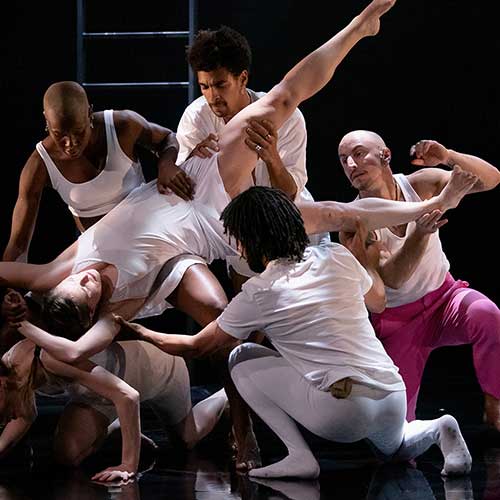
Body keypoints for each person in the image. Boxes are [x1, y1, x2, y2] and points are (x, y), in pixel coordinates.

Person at [0, 0, 477, 469]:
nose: (86, 280)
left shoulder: (62, 267)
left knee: (291, 115)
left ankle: (359, 31)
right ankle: (288, 419)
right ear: (93, 310)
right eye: (88, 293)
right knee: (317, 239)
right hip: (224, 227)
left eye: (76, 282)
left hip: (209, 186)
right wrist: (28, 329)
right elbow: (78, 348)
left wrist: (182, 161)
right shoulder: (114, 307)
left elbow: (15, 266)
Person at [112, 186, 473, 479]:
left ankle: (298, 456)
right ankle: (438, 427)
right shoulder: (335, 255)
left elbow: (197, 345)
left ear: (249, 241)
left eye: (237, 240)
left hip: (342, 412)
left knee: (240, 356)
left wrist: (139, 331)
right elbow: (378, 302)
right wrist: (365, 260)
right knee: (394, 450)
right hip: (393, 395)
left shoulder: (259, 291)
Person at [165, 23, 330, 467]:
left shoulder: (286, 117)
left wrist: (271, 155)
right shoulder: (196, 117)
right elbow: (192, 192)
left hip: (294, 232)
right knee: (240, 334)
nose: (212, 96)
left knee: (300, 331)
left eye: (220, 85)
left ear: (242, 78)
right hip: (242, 238)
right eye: (204, 86)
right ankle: (243, 429)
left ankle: (328, 416)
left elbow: (290, 194)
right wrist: (190, 162)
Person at [337, 130, 500, 429]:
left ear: (385, 155)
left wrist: (449, 156)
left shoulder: (418, 184)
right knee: (396, 427)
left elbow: (491, 179)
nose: (350, 164)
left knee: (487, 314)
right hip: (399, 322)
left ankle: (495, 405)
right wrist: (421, 233)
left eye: (358, 154)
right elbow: (393, 279)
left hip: (445, 299)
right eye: (343, 159)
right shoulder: (354, 221)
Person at [0, 290, 227, 482]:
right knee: (67, 453)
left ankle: (226, 394)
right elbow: (24, 414)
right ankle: (117, 425)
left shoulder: (48, 358)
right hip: (102, 394)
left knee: (187, 438)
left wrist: (128, 465)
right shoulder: (13, 366)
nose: (1, 421)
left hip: (157, 371)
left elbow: (128, 396)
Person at [3, 81, 179, 263]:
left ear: (89, 113)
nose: (70, 144)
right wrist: (8, 277)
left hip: (149, 237)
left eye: (78, 132)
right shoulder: (39, 165)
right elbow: (18, 245)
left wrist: (166, 164)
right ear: (46, 121)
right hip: (100, 257)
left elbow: (168, 137)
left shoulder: (121, 125)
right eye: (59, 135)